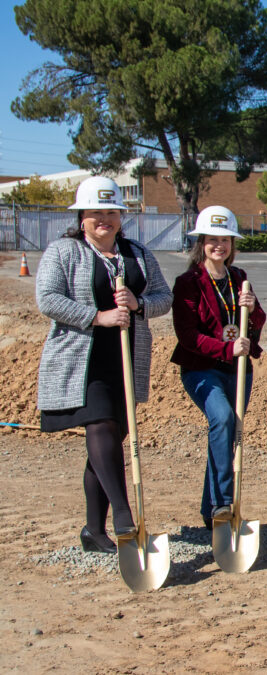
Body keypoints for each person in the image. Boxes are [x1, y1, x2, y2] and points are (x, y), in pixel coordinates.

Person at [35, 176, 172, 554]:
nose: (104, 219)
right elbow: (47, 298)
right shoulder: (63, 251)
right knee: (100, 427)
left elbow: (164, 297)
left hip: (126, 359)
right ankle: (125, 517)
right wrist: (99, 317)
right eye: (96, 212)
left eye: (111, 212)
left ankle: (93, 532)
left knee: (109, 442)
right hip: (83, 361)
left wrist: (138, 305)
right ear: (81, 217)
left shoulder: (137, 253)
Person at [171, 206, 267, 530]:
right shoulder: (188, 283)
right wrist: (227, 347)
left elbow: (258, 322)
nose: (219, 246)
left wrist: (252, 311)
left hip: (238, 370)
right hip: (202, 369)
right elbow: (187, 337)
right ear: (202, 242)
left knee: (225, 433)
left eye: (225, 240)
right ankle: (224, 503)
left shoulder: (239, 278)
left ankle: (210, 511)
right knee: (223, 418)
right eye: (212, 240)